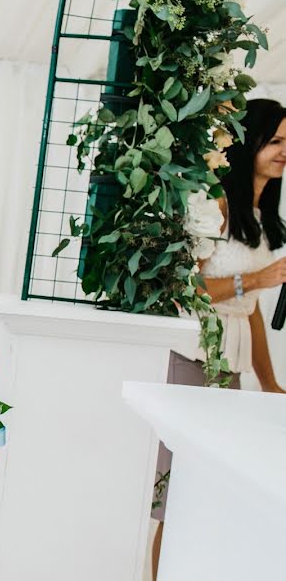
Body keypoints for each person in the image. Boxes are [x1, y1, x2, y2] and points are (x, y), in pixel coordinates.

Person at [150, 98, 286, 578]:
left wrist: (269, 381)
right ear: (248, 143)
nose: (283, 152)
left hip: (231, 365)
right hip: (193, 353)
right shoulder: (216, 207)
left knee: (208, 489)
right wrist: (260, 279)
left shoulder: (262, 215)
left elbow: (249, 312)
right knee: (178, 487)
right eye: (275, 141)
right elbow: (188, 288)